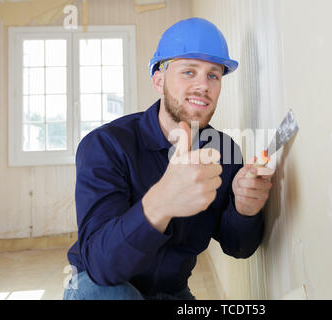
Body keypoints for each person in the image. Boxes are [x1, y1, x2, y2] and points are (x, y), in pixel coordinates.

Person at [63, 17, 273, 300]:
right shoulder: (106, 145)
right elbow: (101, 267)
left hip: (171, 293)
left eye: (213, 75)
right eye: (189, 72)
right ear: (159, 81)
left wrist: (245, 209)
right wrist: (161, 201)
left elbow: (238, 247)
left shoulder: (222, 149)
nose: (203, 86)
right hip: (104, 288)